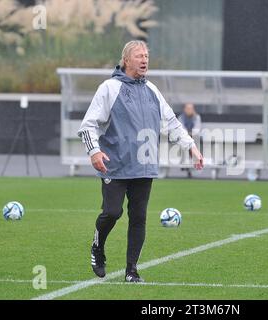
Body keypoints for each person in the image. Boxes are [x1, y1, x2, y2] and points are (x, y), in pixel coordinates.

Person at [78, 40, 204, 282]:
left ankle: (131, 271)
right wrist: (94, 151)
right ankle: (98, 246)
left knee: (138, 218)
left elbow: (172, 122)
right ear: (126, 60)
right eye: (139, 56)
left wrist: (191, 147)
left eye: (146, 55)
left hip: (144, 166)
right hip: (113, 164)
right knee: (112, 212)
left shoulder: (152, 90)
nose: (144, 59)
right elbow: (88, 125)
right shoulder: (109, 88)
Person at [178, 103, 202, 177]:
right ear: (184, 109)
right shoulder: (181, 117)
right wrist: (187, 135)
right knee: (183, 142)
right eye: (187, 108)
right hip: (184, 138)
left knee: (194, 141)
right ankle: (184, 163)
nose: (189, 110)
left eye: (190, 109)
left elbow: (197, 129)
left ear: (193, 109)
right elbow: (181, 129)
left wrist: (190, 135)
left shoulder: (197, 117)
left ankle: (194, 163)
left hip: (194, 139)